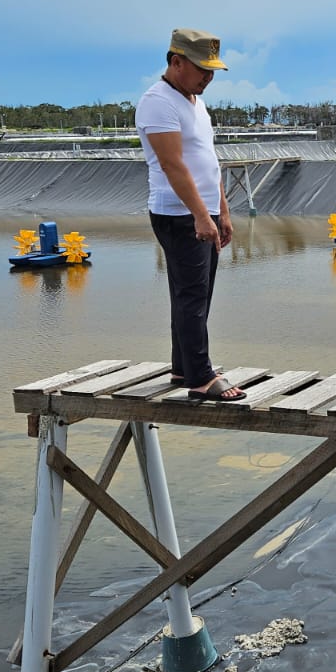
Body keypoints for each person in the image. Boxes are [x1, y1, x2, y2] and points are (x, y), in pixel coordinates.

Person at [135, 27, 247, 402]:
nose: (209, 77)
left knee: (194, 294)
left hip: (201, 211)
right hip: (179, 213)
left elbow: (206, 163)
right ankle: (199, 378)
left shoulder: (195, 104)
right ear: (176, 61)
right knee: (192, 296)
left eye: (213, 70)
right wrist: (201, 217)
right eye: (202, 69)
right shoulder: (158, 102)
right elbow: (173, 166)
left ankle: (183, 366)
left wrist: (222, 212)